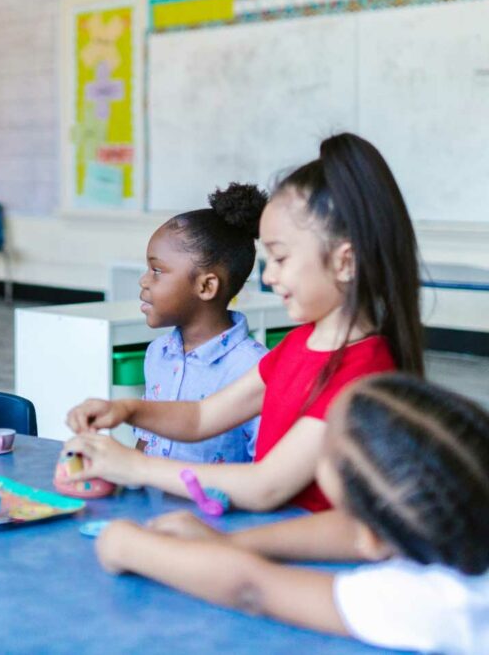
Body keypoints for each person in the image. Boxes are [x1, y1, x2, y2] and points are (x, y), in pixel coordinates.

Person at [65, 133, 423, 511]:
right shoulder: (299, 344)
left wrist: (136, 467)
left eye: (281, 259)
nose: (268, 278)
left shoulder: (362, 373)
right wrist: (126, 410)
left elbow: (264, 486)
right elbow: (204, 416)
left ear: (345, 261)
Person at [94, 374, 489, 655]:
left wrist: (126, 545)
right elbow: (353, 530)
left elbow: (253, 589)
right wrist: (233, 542)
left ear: (373, 538)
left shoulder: (434, 604)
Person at [132, 182, 268, 464]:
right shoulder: (158, 353)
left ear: (206, 286)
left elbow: (265, 468)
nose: (144, 281)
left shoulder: (254, 369)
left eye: (157, 270)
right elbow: (146, 441)